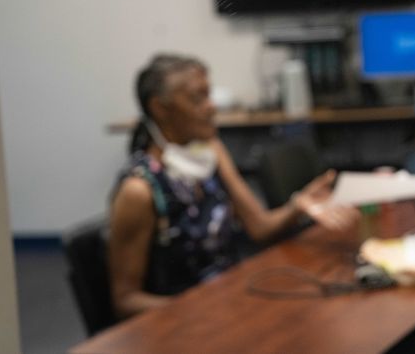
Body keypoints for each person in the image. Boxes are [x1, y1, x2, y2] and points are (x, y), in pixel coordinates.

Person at [109, 54, 357, 318]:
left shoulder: (210, 153)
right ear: (160, 108)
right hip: (189, 320)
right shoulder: (140, 191)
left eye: (209, 95)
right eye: (197, 98)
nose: (211, 107)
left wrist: (297, 205)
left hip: (231, 301)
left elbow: (259, 228)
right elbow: (126, 300)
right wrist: (200, 309)